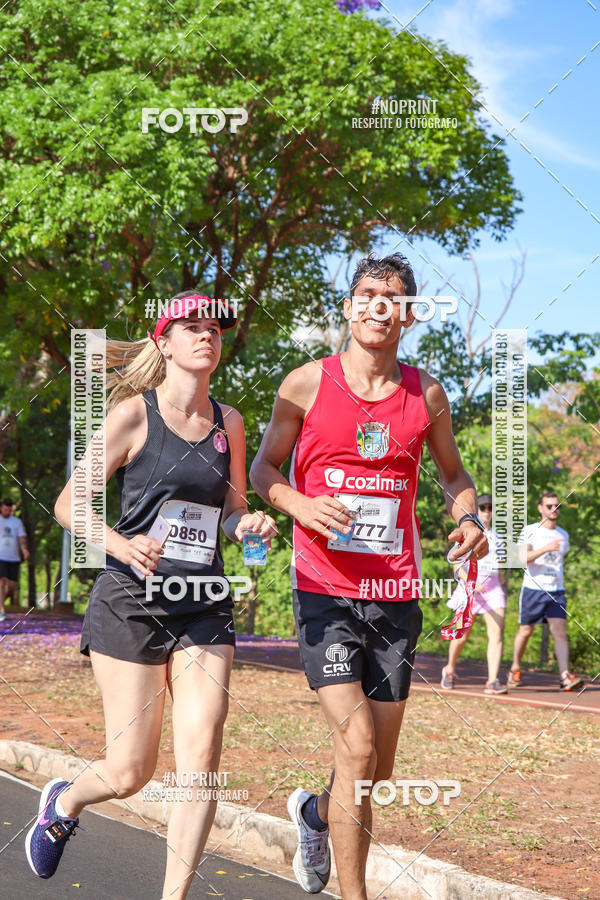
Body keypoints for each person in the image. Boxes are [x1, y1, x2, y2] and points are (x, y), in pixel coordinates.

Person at [250, 252, 488, 898]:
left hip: (394, 595)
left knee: (374, 771)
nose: (378, 306)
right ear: (350, 308)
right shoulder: (305, 383)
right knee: (355, 749)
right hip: (324, 591)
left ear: (408, 316)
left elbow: (453, 476)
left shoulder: (426, 394)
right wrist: (298, 504)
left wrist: (469, 516)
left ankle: (313, 812)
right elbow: (263, 470)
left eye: (392, 297)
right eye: (366, 294)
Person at [25, 292, 277, 898]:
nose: (206, 336)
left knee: (201, 760)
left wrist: (249, 523)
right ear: (163, 343)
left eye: (214, 329)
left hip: (204, 598)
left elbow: (232, 509)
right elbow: (67, 504)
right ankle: (65, 800)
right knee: (130, 771)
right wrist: (120, 543)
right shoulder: (133, 416)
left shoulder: (230, 422)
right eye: (191, 327)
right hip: (130, 600)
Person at [508, 490, 583, 692]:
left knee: (560, 633)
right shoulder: (530, 530)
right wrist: (546, 548)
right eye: (549, 506)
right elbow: (522, 559)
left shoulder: (563, 535)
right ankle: (515, 668)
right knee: (526, 631)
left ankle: (564, 676)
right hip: (534, 589)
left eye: (557, 506)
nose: (554, 509)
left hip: (556, 591)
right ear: (541, 508)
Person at [440, 493, 508, 695]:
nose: (487, 512)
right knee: (462, 634)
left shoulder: (498, 538)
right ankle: (449, 669)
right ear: (476, 511)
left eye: (490, 508)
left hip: (493, 588)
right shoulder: (467, 535)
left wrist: (502, 581)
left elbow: (502, 566)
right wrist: (472, 582)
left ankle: (493, 680)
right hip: (469, 588)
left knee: (496, 633)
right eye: (483, 507)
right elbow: (455, 566)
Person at [0, 498, 29, 620]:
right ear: (1, 508)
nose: (7, 511)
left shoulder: (17, 522)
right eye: (5, 509)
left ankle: (0, 602)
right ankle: (2, 610)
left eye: (9, 510)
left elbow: (21, 538)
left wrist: (24, 550)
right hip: (1, 557)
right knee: (2, 581)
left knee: (12, 586)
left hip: (14, 558)